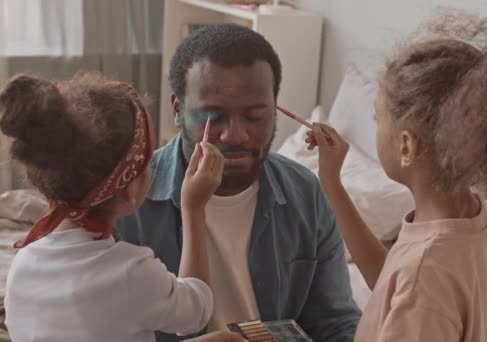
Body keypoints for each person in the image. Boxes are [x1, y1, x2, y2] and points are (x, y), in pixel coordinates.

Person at [305, 12, 487, 342]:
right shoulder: (471, 218)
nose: (375, 127)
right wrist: (331, 183)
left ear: (406, 145)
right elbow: (391, 283)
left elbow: (413, 285)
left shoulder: (426, 273)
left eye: (377, 118)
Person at [115, 24, 361, 342]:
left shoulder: (305, 194)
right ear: (177, 110)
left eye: (255, 116)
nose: (236, 135)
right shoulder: (126, 202)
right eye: (212, 116)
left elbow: (335, 323)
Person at [0, 73, 244, 342]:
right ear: (130, 189)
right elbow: (197, 311)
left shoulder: (22, 265)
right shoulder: (132, 272)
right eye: (147, 163)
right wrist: (193, 209)